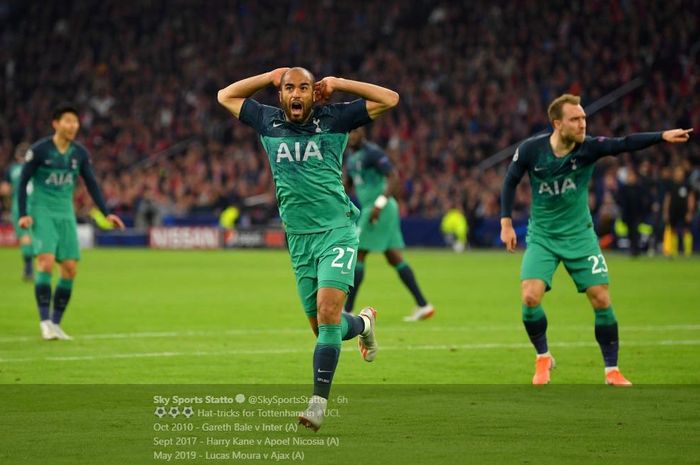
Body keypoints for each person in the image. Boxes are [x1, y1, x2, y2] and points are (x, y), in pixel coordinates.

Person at [217, 67, 399, 431]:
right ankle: (364, 323)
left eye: (304, 87)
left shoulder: (335, 117)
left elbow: (390, 98)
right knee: (323, 329)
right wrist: (268, 76)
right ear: (281, 95)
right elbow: (226, 95)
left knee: (329, 315)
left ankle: (317, 404)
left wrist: (339, 84)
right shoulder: (267, 121)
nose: (296, 94)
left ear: (315, 94)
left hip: (337, 230)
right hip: (299, 239)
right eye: (289, 88)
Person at [499, 93, 692, 386]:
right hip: (543, 236)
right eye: (575, 119)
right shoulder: (530, 150)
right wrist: (506, 223)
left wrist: (662, 136)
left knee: (601, 298)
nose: (582, 124)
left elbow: (623, 143)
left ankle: (611, 370)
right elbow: (510, 180)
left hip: (580, 235)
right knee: (529, 296)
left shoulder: (588, 148)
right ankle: (543, 357)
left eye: (584, 119)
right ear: (557, 124)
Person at [18, 104, 125, 341]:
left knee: (70, 269)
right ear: (55, 124)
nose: (73, 126)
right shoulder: (39, 151)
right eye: (67, 121)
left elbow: (92, 184)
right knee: (45, 262)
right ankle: (44, 322)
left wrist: (106, 213)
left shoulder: (79, 153)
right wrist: (23, 214)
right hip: (42, 210)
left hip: (65, 212)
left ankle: (56, 324)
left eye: (75, 122)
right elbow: (22, 183)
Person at [344, 127, 434, 321]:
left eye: (356, 131)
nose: (352, 135)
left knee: (357, 253)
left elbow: (393, 177)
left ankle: (347, 310)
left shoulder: (373, 152)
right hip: (373, 209)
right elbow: (348, 184)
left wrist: (379, 204)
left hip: (379, 208)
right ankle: (423, 305)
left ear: (363, 132)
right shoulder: (351, 157)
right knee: (394, 257)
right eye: (349, 132)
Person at [1, 143, 34, 281]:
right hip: (38, 206)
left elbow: (4, 190)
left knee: (25, 236)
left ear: (16, 155)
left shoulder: (12, 169)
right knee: (35, 236)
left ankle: (28, 268)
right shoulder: (36, 168)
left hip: (19, 207)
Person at [662, 166, 696, 257]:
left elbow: (691, 198)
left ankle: (687, 252)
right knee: (672, 231)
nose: (679, 174)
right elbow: (667, 199)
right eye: (677, 173)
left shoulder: (687, 185)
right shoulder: (671, 185)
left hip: (684, 211)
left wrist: (690, 211)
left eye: (680, 173)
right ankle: (673, 251)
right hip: (673, 211)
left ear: (683, 174)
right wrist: (666, 212)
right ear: (674, 174)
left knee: (686, 230)